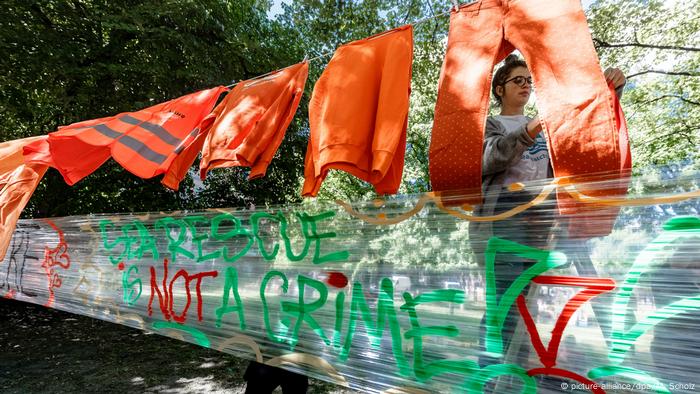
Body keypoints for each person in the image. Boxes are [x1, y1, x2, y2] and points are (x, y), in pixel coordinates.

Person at [470, 54, 626, 368]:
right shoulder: (491, 123)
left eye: (530, 81)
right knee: (506, 296)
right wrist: (534, 126)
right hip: (503, 215)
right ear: (500, 89)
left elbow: (586, 132)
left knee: (528, 299)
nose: (526, 86)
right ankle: (491, 375)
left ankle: (518, 373)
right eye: (518, 80)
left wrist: (609, 91)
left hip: (542, 217)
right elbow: (491, 158)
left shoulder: (550, 125)